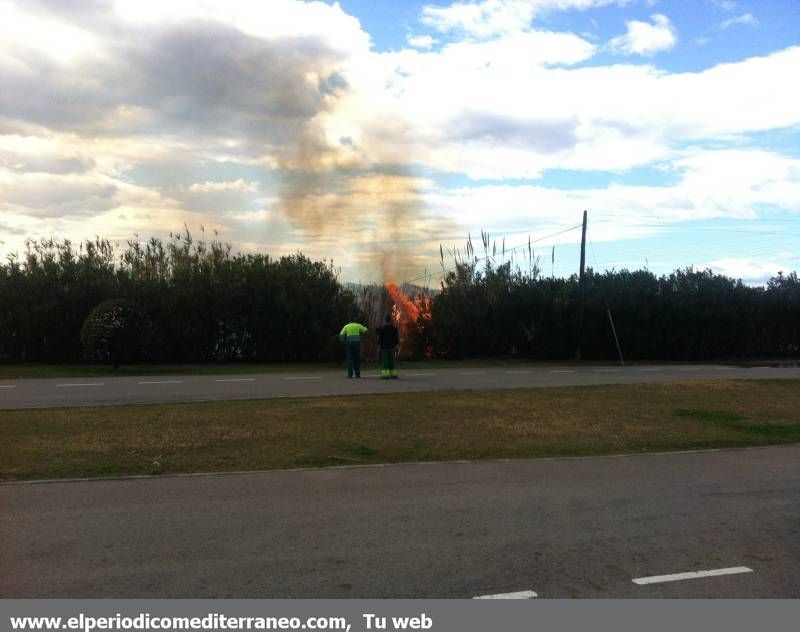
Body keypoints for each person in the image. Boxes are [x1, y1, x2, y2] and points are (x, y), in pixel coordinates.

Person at [375, 314, 399, 379]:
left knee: (385, 361)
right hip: (391, 347)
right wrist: (396, 346)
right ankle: (393, 375)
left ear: (385, 320)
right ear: (390, 320)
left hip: (384, 347)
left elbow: (378, 335)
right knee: (391, 361)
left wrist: (379, 347)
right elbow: (396, 338)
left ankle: (385, 375)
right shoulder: (394, 328)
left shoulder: (382, 328)